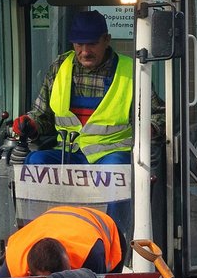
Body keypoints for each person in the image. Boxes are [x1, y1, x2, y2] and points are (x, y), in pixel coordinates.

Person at [13, 10, 134, 167]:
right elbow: (42, 115)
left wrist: (151, 128)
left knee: (113, 167)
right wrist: (30, 123)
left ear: (106, 40)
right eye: (79, 44)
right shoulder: (60, 66)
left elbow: (156, 116)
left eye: (92, 44)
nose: (85, 52)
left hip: (111, 153)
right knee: (36, 161)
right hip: (69, 152)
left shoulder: (130, 70)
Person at [0, 205, 124, 278]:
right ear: (29, 273)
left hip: (103, 229)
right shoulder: (14, 260)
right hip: (60, 222)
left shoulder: (91, 255)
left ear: (68, 265)